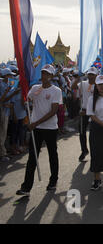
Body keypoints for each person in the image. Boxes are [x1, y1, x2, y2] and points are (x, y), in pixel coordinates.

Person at [16, 64, 62, 196]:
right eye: (42, 73)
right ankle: (26, 187)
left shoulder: (56, 90)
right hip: (36, 129)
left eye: (47, 74)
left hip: (50, 128)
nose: (44, 76)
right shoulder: (35, 88)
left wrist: (35, 123)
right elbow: (25, 101)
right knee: (32, 157)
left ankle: (53, 181)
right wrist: (24, 91)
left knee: (52, 155)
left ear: (52, 76)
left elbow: (53, 111)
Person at [72, 67, 98, 162]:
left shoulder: (99, 86)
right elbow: (73, 87)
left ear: (96, 76)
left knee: (93, 134)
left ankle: (95, 152)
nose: (90, 76)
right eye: (89, 74)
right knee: (82, 132)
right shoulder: (83, 84)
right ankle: (84, 150)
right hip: (84, 112)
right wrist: (78, 78)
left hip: (95, 113)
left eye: (92, 74)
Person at [0, 68, 15, 162]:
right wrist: (8, 91)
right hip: (2, 111)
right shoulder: (1, 85)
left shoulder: (8, 84)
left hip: (6, 111)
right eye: (10, 75)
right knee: (2, 134)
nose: (12, 77)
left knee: (3, 134)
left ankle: (3, 152)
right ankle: (2, 154)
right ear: (5, 76)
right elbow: (2, 100)